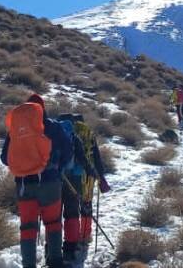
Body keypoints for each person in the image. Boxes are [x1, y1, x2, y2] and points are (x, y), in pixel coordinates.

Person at [1, 94, 72, 268]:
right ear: (42, 108)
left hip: (24, 185)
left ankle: (29, 265)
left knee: (27, 228)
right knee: (53, 223)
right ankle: (55, 262)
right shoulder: (53, 127)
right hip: (50, 183)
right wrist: (57, 168)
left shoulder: (16, 130)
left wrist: (24, 166)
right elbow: (68, 153)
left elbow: (4, 158)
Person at [56, 113, 111, 268]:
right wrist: (100, 176)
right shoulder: (87, 134)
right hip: (84, 176)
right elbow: (96, 158)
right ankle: (84, 237)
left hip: (60, 177)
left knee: (59, 212)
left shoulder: (57, 131)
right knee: (85, 206)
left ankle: (57, 244)